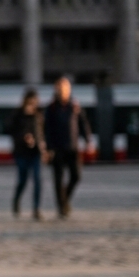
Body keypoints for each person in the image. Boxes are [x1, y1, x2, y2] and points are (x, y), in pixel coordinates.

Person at [44, 76, 92, 218]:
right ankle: (61, 207)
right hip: (57, 148)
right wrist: (48, 148)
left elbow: (83, 123)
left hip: (72, 147)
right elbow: (47, 129)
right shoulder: (51, 108)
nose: (63, 91)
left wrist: (88, 140)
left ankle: (65, 198)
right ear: (56, 90)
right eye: (60, 88)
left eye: (65, 88)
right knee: (58, 179)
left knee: (76, 176)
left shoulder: (74, 106)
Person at [8, 88, 45, 220]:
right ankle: (16, 200)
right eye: (30, 101)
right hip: (21, 152)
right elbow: (10, 130)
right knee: (23, 180)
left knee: (37, 179)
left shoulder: (39, 114)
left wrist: (43, 145)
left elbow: (42, 132)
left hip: (36, 152)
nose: (33, 104)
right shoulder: (17, 114)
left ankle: (36, 209)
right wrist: (24, 136)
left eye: (35, 101)